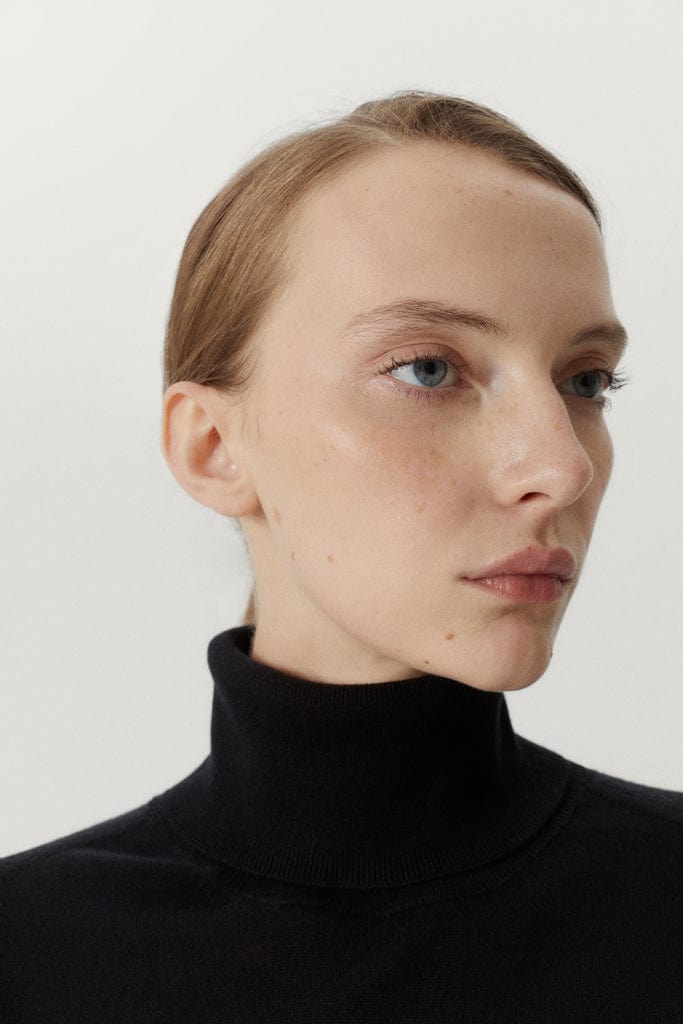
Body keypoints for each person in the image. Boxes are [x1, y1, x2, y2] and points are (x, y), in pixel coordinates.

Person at [2, 90, 681, 1022]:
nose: (561, 467)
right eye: (427, 369)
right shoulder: (28, 954)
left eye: (585, 380)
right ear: (213, 447)